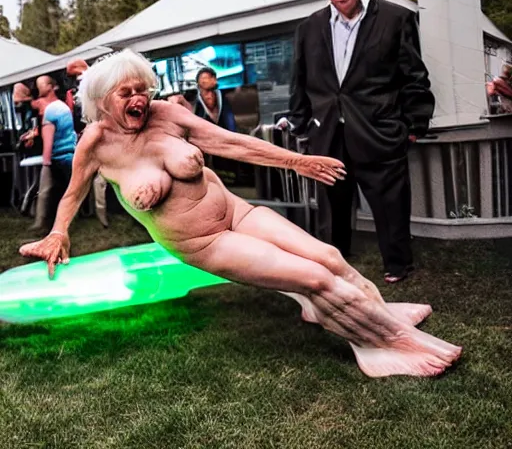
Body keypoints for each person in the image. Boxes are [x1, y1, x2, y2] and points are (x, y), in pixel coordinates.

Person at [19, 50, 461, 378]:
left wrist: (298, 162)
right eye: (126, 93)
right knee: (313, 278)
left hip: (238, 212)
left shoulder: (166, 114)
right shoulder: (95, 143)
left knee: (328, 256)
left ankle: (380, 311)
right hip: (202, 242)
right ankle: (384, 346)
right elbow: (72, 194)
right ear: (102, 100)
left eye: (142, 89)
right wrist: (58, 232)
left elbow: (233, 143)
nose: (139, 99)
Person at [277, 0, 435, 284]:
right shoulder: (309, 29)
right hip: (328, 135)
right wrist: (301, 122)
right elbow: (300, 82)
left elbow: (414, 78)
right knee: (331, 208)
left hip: (379, 131)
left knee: (390, 204)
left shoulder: (396, 19)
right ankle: (336, 265)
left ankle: (398, 265)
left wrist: (413, 126)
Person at [66, 58, 109, 227]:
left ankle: (98, 213)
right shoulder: (93, 82)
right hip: (90, 132)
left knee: (95, 176)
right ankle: (98, 213)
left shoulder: (91, 83)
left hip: (94, 132)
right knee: (96, 176)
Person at [32, 75, 77, 231]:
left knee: (45, 191)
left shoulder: (50, 110)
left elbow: (48, 139)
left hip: (56, 157)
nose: (39, 88)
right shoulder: (64, 107)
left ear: (52, 86)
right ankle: (70, 221)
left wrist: (46, 162)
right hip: (70, 154)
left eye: (41, 84)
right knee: (70, 191)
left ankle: (40, 222)